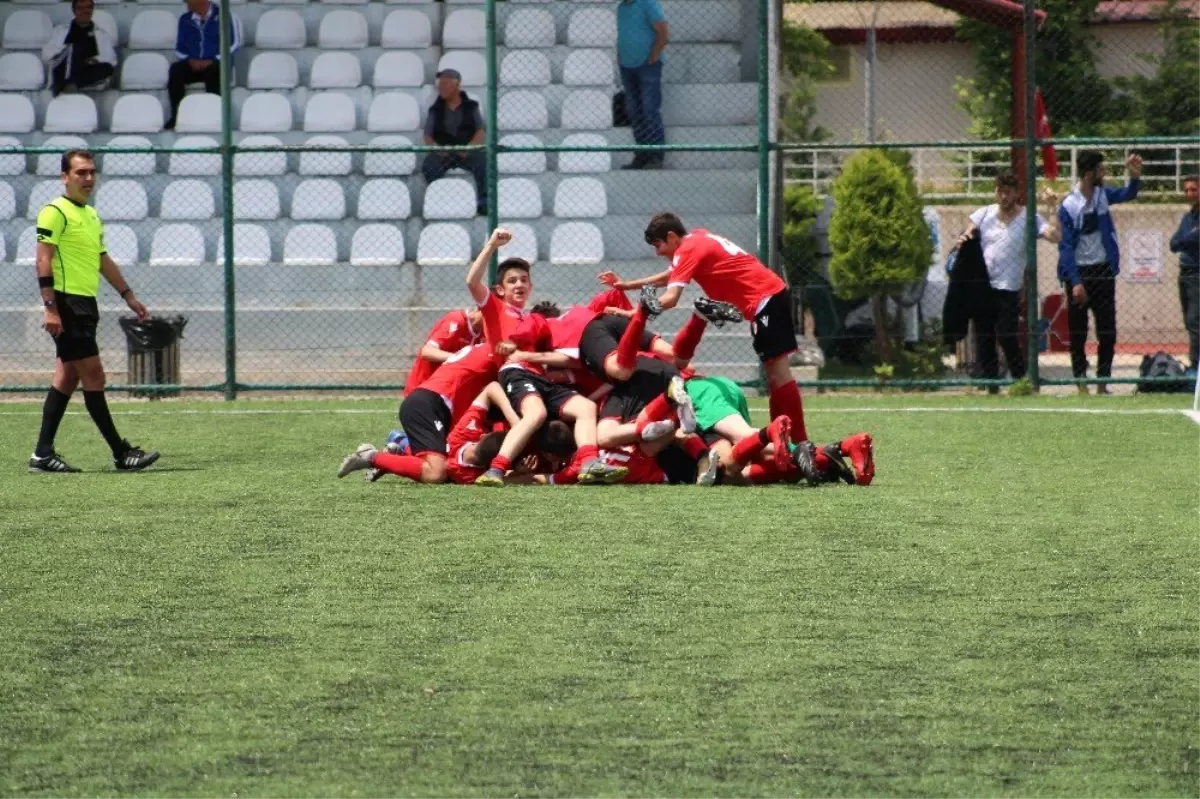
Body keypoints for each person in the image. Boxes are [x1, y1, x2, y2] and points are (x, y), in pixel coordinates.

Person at [30, 150, 160, 473]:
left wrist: (128, 295)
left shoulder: (90, 215)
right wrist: (50, 309)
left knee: (68, 374)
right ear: (64, 177)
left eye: (91, 172)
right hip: (66, 304)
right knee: (94, 375)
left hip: (85, 305)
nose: (88, 179)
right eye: (80, 173)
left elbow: (102, 260)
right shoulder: (54, 212)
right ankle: (121, 453)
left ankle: (42, 454)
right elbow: (43, 260)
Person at [955, 171, 1061, 390]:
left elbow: (1054, 236)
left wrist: (1052, 208)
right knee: (983, 337)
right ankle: (991, 385)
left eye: (1008, 192)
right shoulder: (984, 214)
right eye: (999, 191)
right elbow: (968, 233)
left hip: (1008, 288)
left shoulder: (1027, 218)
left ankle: (1021, 381)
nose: (1003, 196)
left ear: (1016, 194)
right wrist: (964, 240)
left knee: (1006, 335)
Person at [1057, 150, 1142, 394]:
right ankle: (1081, 383)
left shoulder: (1103, 195)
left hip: (1103, 271)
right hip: (1079, 275)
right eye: (1100, 169)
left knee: (1107, 331)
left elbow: (1128, 194)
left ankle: (1102, 383)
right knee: (1078, 332)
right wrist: (1075, 282)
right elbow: (1065, 248)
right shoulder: (1069, 206)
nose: (1104, 173)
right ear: (1087, 174)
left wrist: (1134, 178)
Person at [166, 0, 242, 131]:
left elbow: (234, 44)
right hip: (193, 63)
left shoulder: (225, 16)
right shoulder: (185, 19)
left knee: (214, 72)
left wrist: (213, 59)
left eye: (190, 2)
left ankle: (217, 116)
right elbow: (179, 48)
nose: (188, 5)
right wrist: (190, 60)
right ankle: (176, 116)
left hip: (216, 63)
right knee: (175, 70)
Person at [422, 68, 488, 216]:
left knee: (483, 162)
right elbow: (428, 136)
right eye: (440, 84)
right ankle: (438, 201)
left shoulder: (471, 107)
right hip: (443, 152)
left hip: (467, 151)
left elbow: (480, 131)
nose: (441, 87)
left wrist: (470, 148)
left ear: (457, 85)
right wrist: (439, 150)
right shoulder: (435, 109)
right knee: (429, 165)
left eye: (446, 84)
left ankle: (484, 202)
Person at [617, 0, 669, 170]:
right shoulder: (621, 9)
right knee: (634, 111)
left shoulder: (648, 3)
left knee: (649, 109)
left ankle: (656, 155)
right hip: (627, 66)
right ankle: (642, 154)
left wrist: (653, 56)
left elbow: (663, 31)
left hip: (648, 66)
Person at [41, 0, 117, 98]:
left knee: (107, 68)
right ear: (74, 11)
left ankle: (71, 85)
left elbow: (112, 60)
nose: (85, 11)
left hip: (88, 70)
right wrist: (66, 52)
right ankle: (69, 84)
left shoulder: (102, 34)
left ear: (92, 10)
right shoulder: (60, 31)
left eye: (88, 7)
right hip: (66, 67)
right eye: (80, 8)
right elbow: (46, 54)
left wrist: (96, 60)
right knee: (73, 49)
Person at [403, 307, 484, 397]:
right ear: (480, 309)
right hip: (423, 388)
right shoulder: (457, 320)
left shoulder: (484, 333)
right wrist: (459, 358)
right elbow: (427, 352)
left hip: (446, 392)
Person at [1169, 175, 1200, 371]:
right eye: (1186, 190)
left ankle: (1196, 365)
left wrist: (1186, 239)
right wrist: (1187, 238)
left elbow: (1191, 239)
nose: (1189, 194)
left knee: (1195, 320)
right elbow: (1174, 243)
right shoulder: (1188, 217)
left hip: (1197, 273)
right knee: (1190, 321)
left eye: (1193, 190)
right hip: (1185, 273)